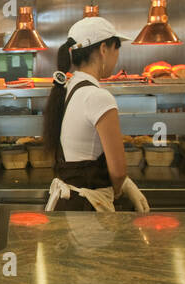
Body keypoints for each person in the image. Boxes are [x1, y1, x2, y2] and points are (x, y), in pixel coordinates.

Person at [40, 17, 150, 213]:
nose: (117, 57)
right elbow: (118, 171)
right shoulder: (98, 97)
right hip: (88, 212)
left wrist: (124, 183)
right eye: (117, 49)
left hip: (67, 205)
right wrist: (118, 188)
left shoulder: (68, 88)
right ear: (104, 49)